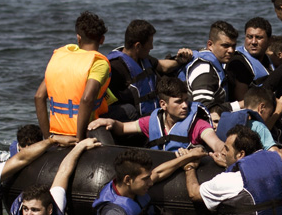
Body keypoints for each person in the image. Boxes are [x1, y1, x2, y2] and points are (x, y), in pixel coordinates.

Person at [181, 126, 282, 215]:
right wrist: (230, 165)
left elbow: (194, 193)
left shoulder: (228, 180)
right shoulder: (280, 170)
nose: (223, 152)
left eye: (227, 149)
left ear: (240, 154)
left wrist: (189, 167)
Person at [89, 148, 207, 215]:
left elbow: (158, 173)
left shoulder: (134, 185)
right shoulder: (112, 211)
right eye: (146, 179)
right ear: (128, 180)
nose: (150, 183)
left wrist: (190, 156)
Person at [89, 77, 224, 153]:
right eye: (178, 102)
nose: (184, 105)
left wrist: (223, 151)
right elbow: (123, 128)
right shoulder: (152, 121)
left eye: (185, 100)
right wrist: (111, 122)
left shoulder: (198, 125)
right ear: (163, 104)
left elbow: (215, 143)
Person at [35, 11, 114, 140]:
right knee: (128, 111)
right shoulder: (98, 63)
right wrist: (79, 140)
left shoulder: (61, 56)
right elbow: (86, 99)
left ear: (78, 37)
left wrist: (49, 139)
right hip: (83, 131)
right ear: (102, 40)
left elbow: (39, 97)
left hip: (57, 132)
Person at [8, 137, 100, 215]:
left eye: (35, 210)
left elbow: (63, 171)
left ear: (49, 210)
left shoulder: (56, 205)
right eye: (25, 209)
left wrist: (81, 145)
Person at [105, 19, 192, 122]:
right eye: (150, 43)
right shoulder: (115, 68)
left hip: (153, 115)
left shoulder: (143, 58)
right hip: (134, 122)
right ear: (138, 46)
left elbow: (163, 66)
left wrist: (180, 60)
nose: (152, 47)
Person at [182, 20, 238, 112]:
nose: (231, 50)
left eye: (233, 46)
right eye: (225, 46)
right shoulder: (204, 69)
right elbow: (203, 108)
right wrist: (239, 105)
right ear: (210, 45)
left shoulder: (217, 63)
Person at [214, 86, 282, 151]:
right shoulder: (259, 127)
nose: (269, 119)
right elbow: (275, 154)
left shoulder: (225, 120)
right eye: (270, 114)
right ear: (261, 107)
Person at [226, 17, 275, 100]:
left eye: (259, 37)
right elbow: (243, 101)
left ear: (269, 41)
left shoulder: (268, 60)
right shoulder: (238, 63)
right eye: (250, 37)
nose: (253, 42)